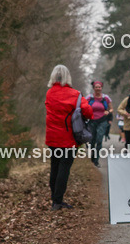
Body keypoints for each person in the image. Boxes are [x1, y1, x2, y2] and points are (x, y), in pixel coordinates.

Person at [44, 64, 91, 211]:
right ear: (67, 76)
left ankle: (55, 200)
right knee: (64, 169)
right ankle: (58, 201)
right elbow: (89, 112)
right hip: (68, 139)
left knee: (55, 167)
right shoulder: (75, 94)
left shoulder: (49, 93)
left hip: (52, 138)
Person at [86, 81, 113, 167]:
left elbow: (111, 109)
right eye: (96, 87)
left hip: (102, 121)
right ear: (93, 88)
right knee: (92, 140)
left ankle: (96, 160)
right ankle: (93, 156)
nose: (98, 88)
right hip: (92, 120)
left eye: (99, 87)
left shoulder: (106, 98)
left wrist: (108, 111)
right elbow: (84, 106)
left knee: (99, 139)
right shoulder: (89, 97)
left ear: (101, 88)